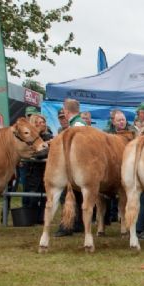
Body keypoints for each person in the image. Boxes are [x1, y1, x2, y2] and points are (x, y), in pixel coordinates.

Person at [55, 99, 86, 237]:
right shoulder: (79, 123)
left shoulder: (76, 125)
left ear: (66, 111)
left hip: (73, 166)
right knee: (78, 195)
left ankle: (67, 225)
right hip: (80, 166)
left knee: (65, 195)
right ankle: (78, 224)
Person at [23, 114, 53, 219]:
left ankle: (41, 218)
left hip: (45, 171)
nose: (42, 124)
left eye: (43, 122)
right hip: (32, 171)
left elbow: (45, 153)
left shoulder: (49, 136)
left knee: (45, 196)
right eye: (39, 123)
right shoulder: (28, 138)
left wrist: (45, 146)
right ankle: (28, 217)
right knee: (31, 196)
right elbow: (29, 152)